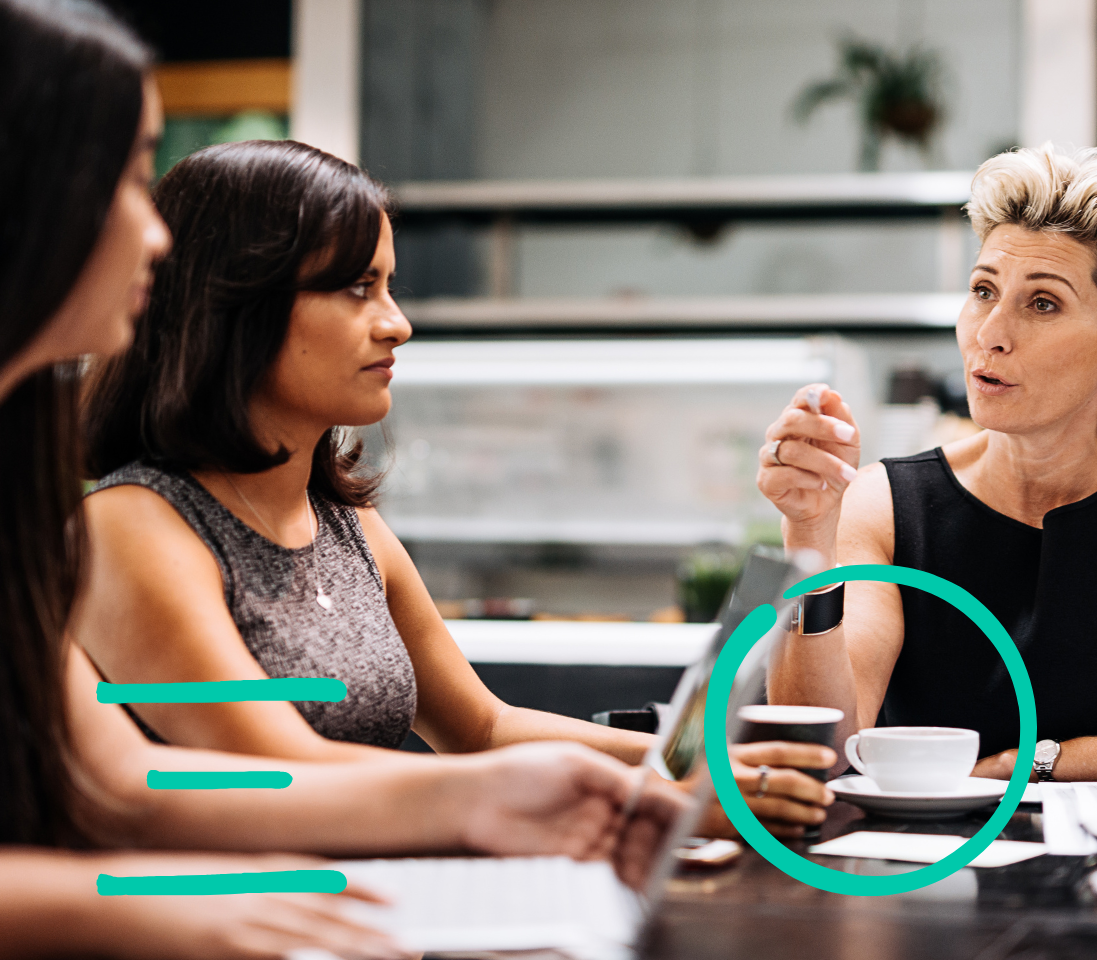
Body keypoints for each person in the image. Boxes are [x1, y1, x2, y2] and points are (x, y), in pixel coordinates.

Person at [0, 2, 682, 955]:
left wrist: (646, 781)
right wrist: (145, 907)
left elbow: (115, 785)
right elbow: (245, 773)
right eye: (121, 176)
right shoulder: (131, 519)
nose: (150, 235)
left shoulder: (29, 493)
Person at [72, 137, 832, 838]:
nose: (396, 324)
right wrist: (655, 801)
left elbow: (481, 728)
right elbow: (276, 773)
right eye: (357, 289)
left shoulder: (343, 525)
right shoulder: (135, 526)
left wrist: (689, 766)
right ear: (238, 307)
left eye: (389, 286)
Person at [755, 144, 1097, 783]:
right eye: (983, 290)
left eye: (1042, 303)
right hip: (931, 875)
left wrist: (1034, 765)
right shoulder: (886, 504)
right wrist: (810, 542)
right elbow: (816, 750)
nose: (991, 331)